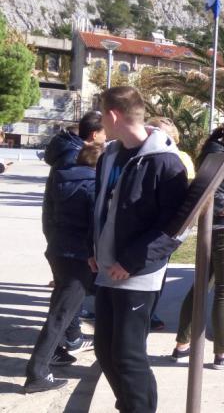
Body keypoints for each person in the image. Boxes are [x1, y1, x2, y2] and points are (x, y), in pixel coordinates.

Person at [90, 86, 188, 413]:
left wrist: (131, 262)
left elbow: (176, 227)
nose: (101, 122)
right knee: (105, 351)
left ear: (113, 115)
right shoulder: (110, 155)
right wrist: (93, 248)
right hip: (107, 268)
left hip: (138, 273)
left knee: (128, 355)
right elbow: (101, 208)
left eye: (103, 115)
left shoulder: (166, 162)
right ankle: (132, 406)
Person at [172, 116, 224, 369]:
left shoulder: (218, 151)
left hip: (221, 225)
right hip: (223, 229)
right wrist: (222, 208)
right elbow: (204, 187)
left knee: (200, 287)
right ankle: (222, 353)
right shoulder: (218, 154)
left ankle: (182, 345)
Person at [24, 143, 103, 393]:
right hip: (78, 257)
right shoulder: (92, 186)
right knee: (60, 315)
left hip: (58, 251)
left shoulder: (63, 179)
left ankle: (55, 353)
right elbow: (95, 227)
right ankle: (37, 373)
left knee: (59, 309)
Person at [40, 111, 106, 362]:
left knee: (64, 300)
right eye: (105, 133)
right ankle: (61, 347)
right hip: (70, 241)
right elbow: (75, 200)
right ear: (94, 135)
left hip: (61, 236)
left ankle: (65, 342)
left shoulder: (68, 150)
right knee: (64, 304)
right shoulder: (75, 157)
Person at [145, 116, 196, 331]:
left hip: (160, 230)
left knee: (156, 273)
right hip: (144, 226)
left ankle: (149, 312)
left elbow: (188, 193)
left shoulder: (179, 158)